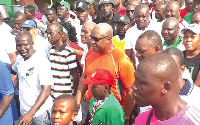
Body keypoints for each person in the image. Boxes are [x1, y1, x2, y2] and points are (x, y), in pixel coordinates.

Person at [76, 23, 135, 124]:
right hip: (93, 109)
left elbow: (131, 90)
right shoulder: (90, 53)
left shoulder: (121, 60)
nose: (92, 42)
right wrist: (77, 101)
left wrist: (127, 116)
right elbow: (85, 76)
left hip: (112, 114)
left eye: (96, 39)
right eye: (91, 38)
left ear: (108, 39)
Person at [132, 53, 200, 125]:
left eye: (142, 83)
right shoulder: (142, 119)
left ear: (165, 87)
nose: (133, 86)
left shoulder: (194, 119)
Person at [13, 31, 54, 125]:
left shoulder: (41, 61)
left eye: (25, 45)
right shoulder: (20, 59)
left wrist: (31, 113)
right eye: (19, 45)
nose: (22, 48)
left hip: (39, 113)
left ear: (32, 43)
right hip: (24, 112)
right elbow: (14, 70)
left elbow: (46, 90)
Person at [47, 23, 79, 98]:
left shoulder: (68, 52)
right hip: (53, 95)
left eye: (51, 34)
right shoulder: (50, 51)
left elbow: (75, 76)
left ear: (60, 34)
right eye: (47, 34)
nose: (48, 36)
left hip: (66, 95)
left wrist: (75, 94)